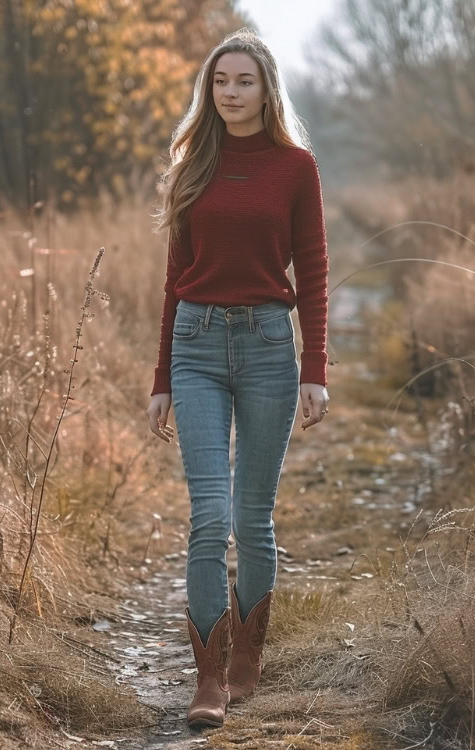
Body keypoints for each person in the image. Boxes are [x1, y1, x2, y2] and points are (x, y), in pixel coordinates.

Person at [147, 26, 330, 731]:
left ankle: (249, 654)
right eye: (220, 81)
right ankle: (209, 678)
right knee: (209, 517)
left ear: (265, 88)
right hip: (195, 345)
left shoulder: (296, 166)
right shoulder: (192, 162)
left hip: (265, 349)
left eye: (243, 81)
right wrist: (161, 376)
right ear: (209, 89)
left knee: (253, 520)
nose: (230, 92)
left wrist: (315, 366)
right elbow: (172, 281)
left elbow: (312, 270)